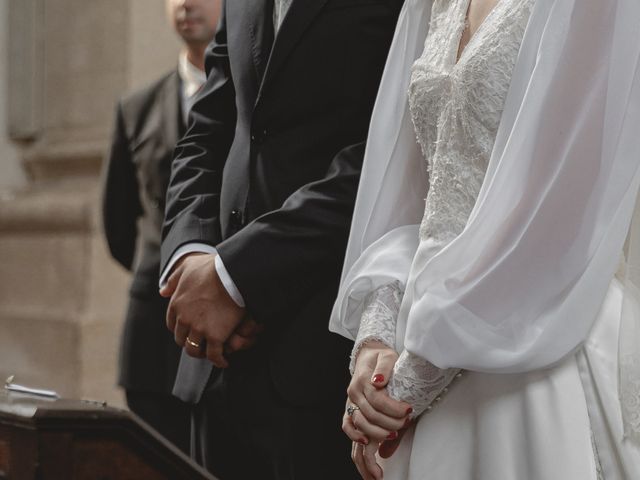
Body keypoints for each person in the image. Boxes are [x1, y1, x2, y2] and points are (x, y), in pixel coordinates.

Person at [330, 0, 640, 479]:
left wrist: (407, 388)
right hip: (421, 332)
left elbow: (560, 213)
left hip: (536, 339)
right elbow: (414, 194)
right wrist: (378, 340)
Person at [157, 1, 404, 478]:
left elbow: (387, 155)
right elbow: (208, 132)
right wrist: (192, 256)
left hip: (320, 355)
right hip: (214, 361)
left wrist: (238, 276)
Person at [102, 0, 221, 453]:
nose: (186, 3)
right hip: (152, 329)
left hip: (230, 322)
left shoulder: (253, 105)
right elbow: (117, 221)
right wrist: (159, 270)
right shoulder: (136, 106)